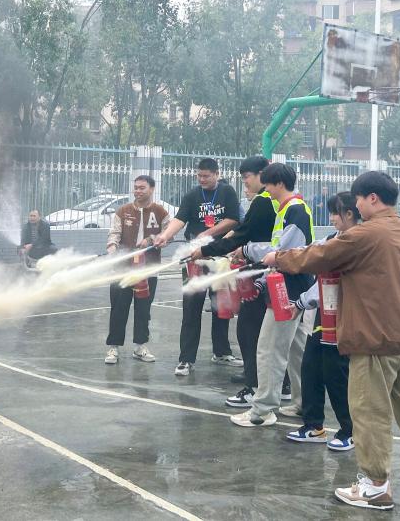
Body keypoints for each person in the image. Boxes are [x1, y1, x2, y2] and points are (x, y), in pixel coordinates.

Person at [264, 171, 400, 510]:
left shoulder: (365, 234)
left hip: (375, 337)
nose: (357, 207)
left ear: (372, 199)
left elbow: (319, 256)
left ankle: (375, 485)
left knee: (370, 410)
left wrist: (278, 258)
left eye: (359, 200)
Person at [230, 162, 314, 427]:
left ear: (278, 183)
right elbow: (277, 254)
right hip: (290, 288)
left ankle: (262, 410)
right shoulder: (287, 210)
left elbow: (281, 253)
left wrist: (248, 251)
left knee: (268, 350)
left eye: (267, 184)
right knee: (297, 351)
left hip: (287, 292)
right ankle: (303, 402)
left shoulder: (295, 211)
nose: (265, 190)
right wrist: (261, 281)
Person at [191, 156, 277, 408]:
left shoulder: (263, 202)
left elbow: (241, 233)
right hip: (267, 271)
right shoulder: (281, 203)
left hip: (261, 275)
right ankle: (275, 383)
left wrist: (205, 250)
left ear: (262, 174)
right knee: (265, 334)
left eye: (247, 178)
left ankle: (253, 386)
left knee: (249, 330)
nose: (245, 185)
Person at [153, 158, 242, 376]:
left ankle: (221, 352)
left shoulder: (227, 192)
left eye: (206, 176)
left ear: (216, 174)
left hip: (221, 257)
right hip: (194, 257)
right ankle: (186, 359)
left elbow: (233, 219)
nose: (202, 179)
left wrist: (208, 233)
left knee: (221, 305)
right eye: (199, 175)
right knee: (191, 307)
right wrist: (165, 235)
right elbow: (180, 219)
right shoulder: (192, 196)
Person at [287, 191, 356, 452]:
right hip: (321, 317)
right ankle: (313, 425)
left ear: (350, 214)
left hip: (343, 316)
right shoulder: (331, 239)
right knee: (311, 368)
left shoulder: (353, 243)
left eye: (335, 213)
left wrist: (302, 302)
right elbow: (313, 265)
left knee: (336, 374)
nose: (332, 218)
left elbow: (329, 282)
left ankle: (350, 429)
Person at [104, 175, 170, 365]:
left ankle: (140, 346)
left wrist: (151, 240)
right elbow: (114, 233)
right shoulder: (123, 211)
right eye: (136, 188)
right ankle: (113, 347)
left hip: (148, 270)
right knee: (118, 309)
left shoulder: (160, 212)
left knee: (143, 310)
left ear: (152, 189)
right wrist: (112, 247)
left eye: (142, 188)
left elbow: (168, 236)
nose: (138, 191)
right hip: (122, 269)